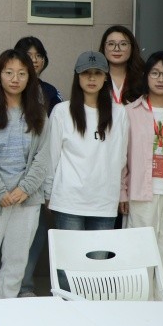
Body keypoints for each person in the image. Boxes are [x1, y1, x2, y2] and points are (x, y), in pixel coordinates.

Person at [0, 49, 49, 301]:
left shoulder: (39, 113)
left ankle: (6, 309)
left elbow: (44, 156)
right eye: (9, 72)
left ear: (29, 78)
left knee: (16, 262)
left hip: (26, 200)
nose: (15, 79)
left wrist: (25, 188)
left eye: (22, 73)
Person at [121, 51, 163, 301]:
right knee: (138, 256)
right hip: (141, 195)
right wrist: (122, 192)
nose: (161, 79)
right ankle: (139, 308)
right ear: (146, 76)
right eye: (155, 73)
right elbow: (121, 157)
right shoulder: (130, 112)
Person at [46, 51, 128, 230]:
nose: (92, 78)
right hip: (68, 200)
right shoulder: (61, 111)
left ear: (105, 77)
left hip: (104, 201)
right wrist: (48, 192)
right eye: (86, 73)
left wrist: (120, 191)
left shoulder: (119, 112)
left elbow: (121, 157)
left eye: (98, 73)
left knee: (100, 250)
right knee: (70, 250)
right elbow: (52, 156)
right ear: (77, 76)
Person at [13, 35, 63, 297]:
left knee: (37, 229)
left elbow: (57, 133)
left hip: (39, 171)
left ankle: (25, 285)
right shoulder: (6, 89)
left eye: (38, 56)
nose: (33, 60)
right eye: (27, 55)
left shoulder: (51, 93)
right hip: (8, 173)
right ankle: (6, 286)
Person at [99, 25, 144, 105]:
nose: (117, 49)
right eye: (111, 44)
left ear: (132, 48)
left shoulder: (143, 78)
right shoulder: (96, 77)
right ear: (103, 47)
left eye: (123, 44)